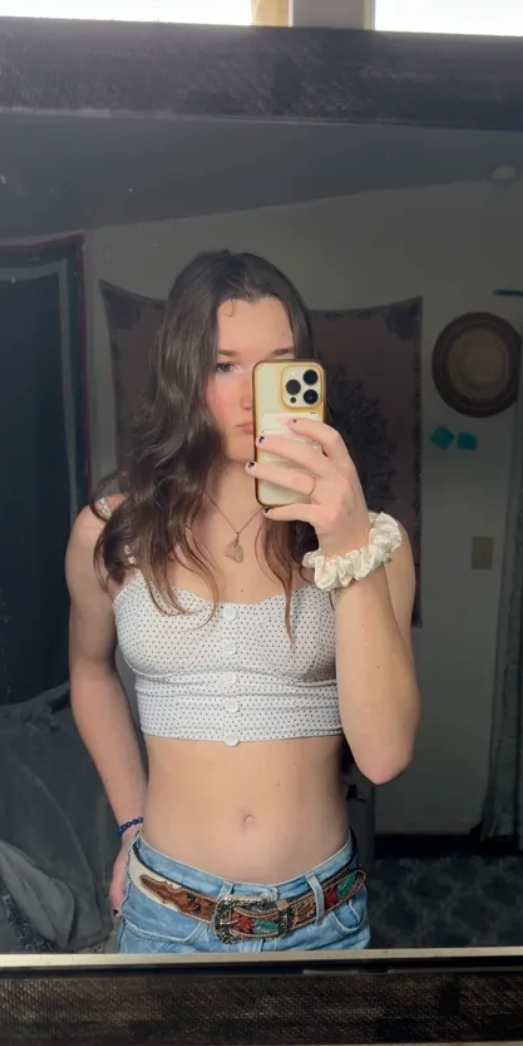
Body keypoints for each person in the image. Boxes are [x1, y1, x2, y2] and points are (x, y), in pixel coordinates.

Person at [65, 250, 419, 954]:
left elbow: (383, 757)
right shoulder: (111, 532)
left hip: (322, 921)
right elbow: (90, 670)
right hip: (165, 914)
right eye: (225, 365)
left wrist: (345, 541)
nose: (254, 396)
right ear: (182, 374)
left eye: (277, 368)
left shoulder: (375, 544)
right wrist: (131, 823)